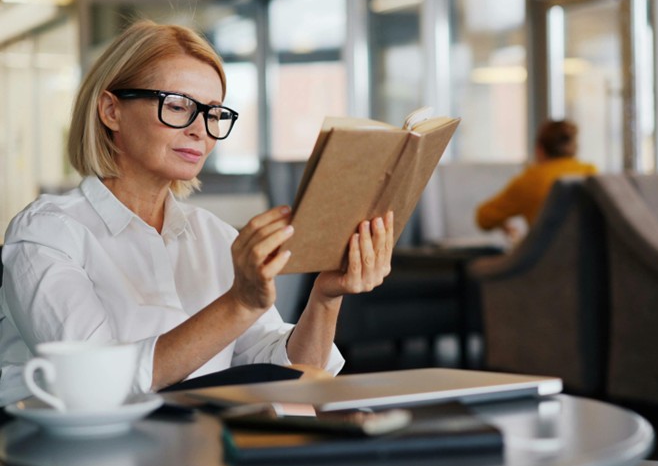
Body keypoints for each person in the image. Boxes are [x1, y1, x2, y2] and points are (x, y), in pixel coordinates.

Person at [0, 20, 394, 405]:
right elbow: (91, 384)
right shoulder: (47, 232)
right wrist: (238, 303)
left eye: (213, 113)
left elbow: (292, 373)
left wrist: (325, 296)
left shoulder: (215, 236)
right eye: (178, 106)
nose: (200, 130)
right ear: (111, 111)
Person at [475, 119, 596, 241]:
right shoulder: (591, 173)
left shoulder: (532, 179)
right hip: (591, 258)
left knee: (479, 261)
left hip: (545, 257)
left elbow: (483, 218)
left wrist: (504, 225)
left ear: (539, 149)